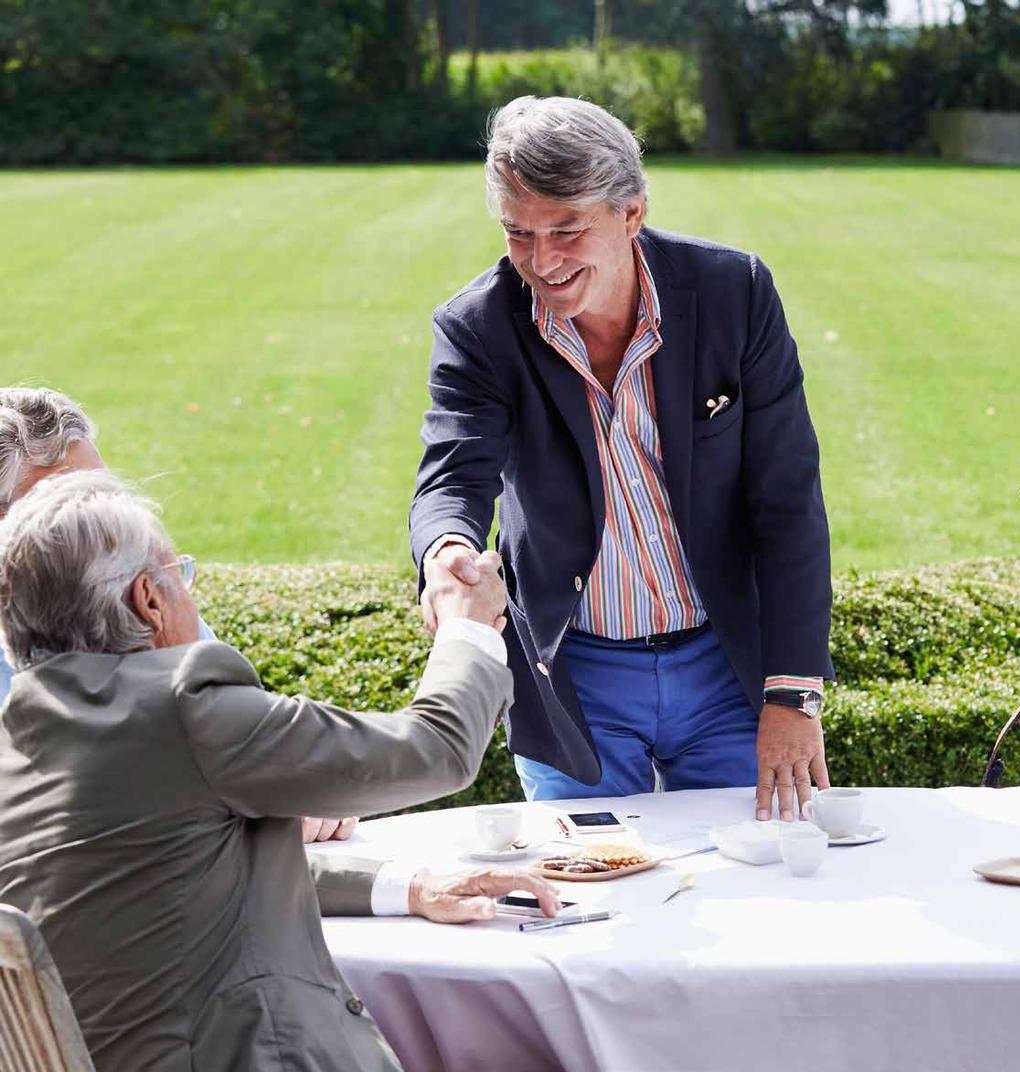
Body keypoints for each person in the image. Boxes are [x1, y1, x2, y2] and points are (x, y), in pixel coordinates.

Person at [0, 471, 559, 1072]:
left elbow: (175, 870)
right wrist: (468, 628)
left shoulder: (19, 744)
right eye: (179, 574)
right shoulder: (181, 706)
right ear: (149, 600)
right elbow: (436, 750)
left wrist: (410, 888)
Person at [411, 96, 834, 821]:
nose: (541, 261)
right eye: (520, 233)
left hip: (726, 663)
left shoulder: (736, 293)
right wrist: (446, 551)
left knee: (763, 891)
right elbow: (453, 471)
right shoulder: (477, 327)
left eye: (567, 230)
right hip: (575, 674)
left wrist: (792, 692)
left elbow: (786, 499)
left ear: (630, 213)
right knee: (589, 898)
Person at [0, 386, 348, 843]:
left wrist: (292, 788)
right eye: (60, 508)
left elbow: (245, 743)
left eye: (103, 497)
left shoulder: (144, 592)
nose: (97, 525)